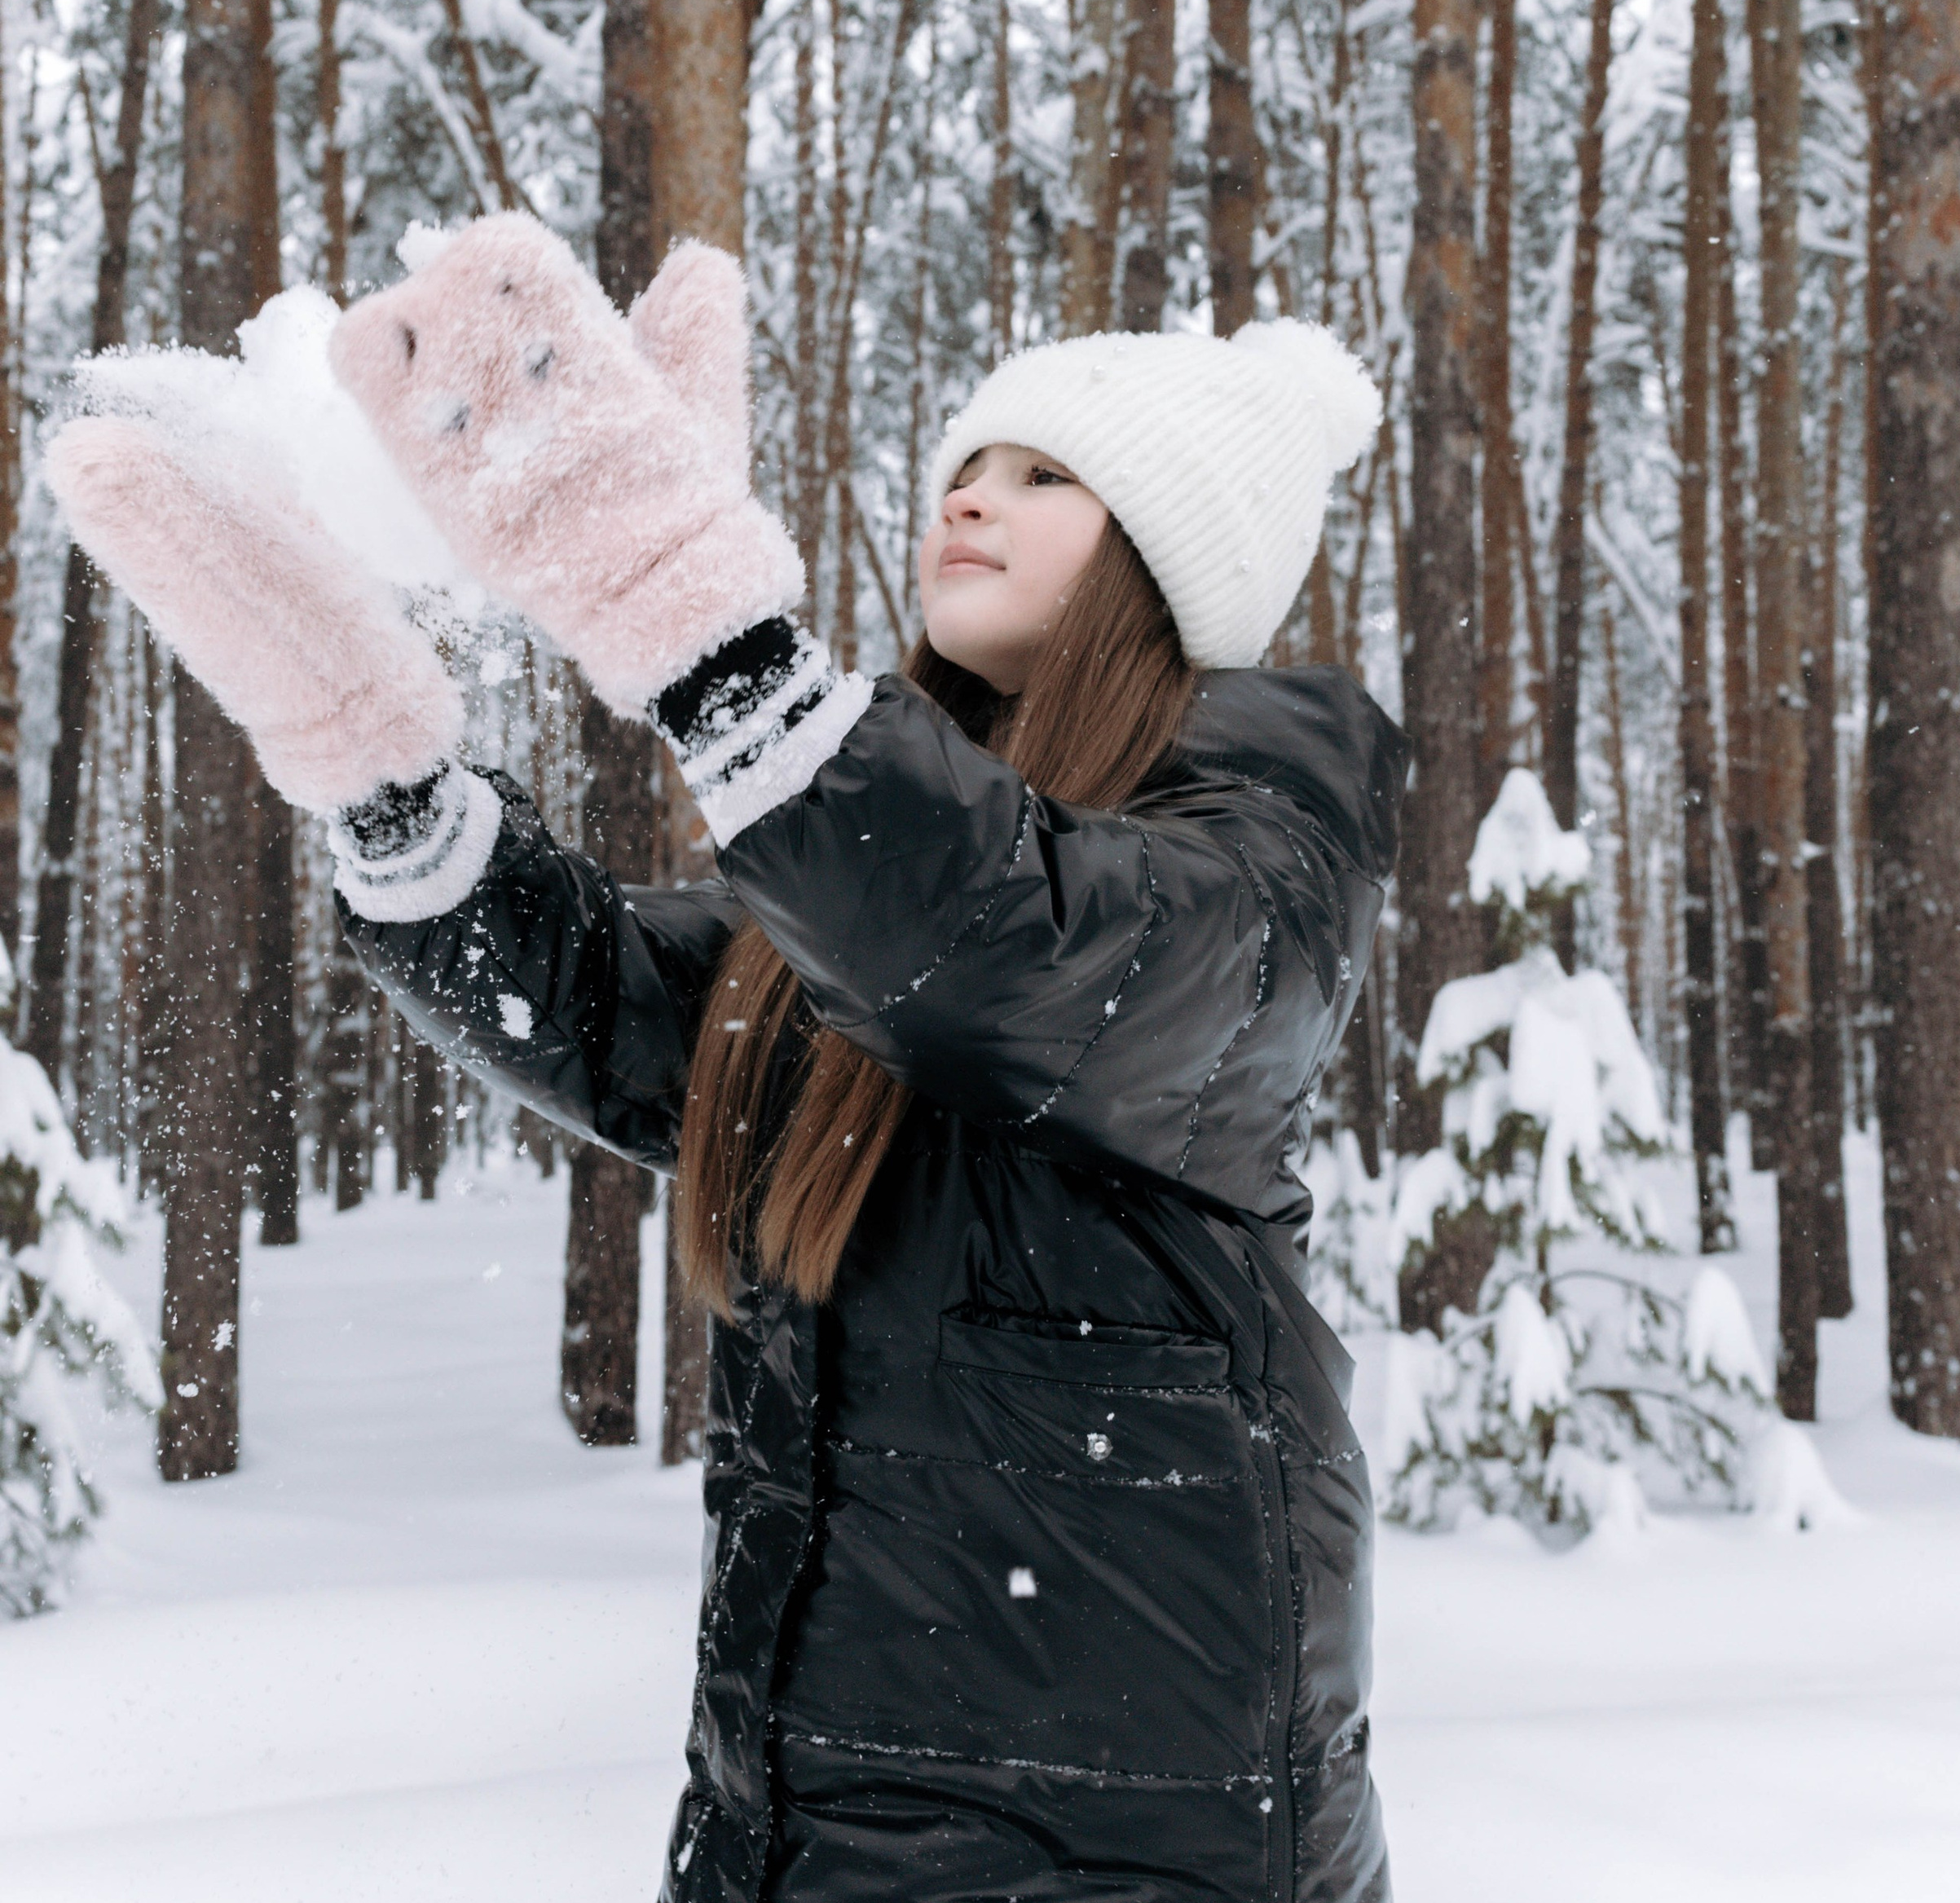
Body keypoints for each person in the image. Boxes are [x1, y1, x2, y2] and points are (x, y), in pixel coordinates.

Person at [50, 214, 1408, 1903]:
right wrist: (373, 759)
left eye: (1043, 474)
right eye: (964, 460)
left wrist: (691, 617)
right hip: (798, 1812)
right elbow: (616, 1005)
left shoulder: (1265, 830)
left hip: (1132, 1842)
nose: (965, 494)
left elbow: (1013, 949)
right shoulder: (860, 866)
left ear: (1165, 556)